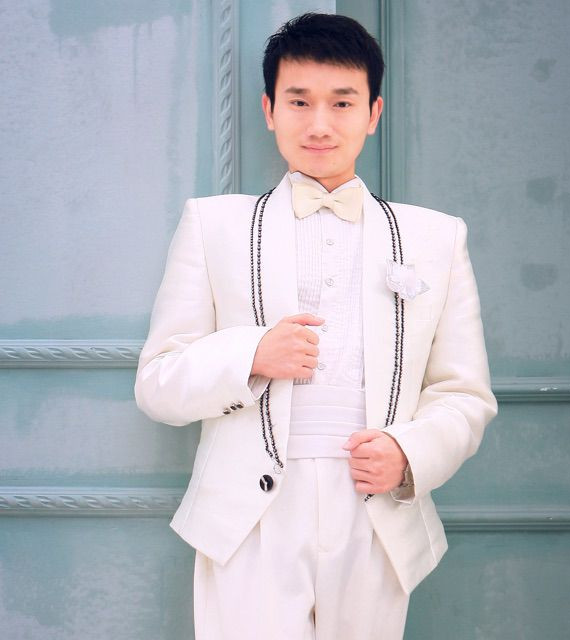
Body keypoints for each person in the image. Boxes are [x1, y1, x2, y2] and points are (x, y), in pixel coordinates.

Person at [134, 11, 497, 640]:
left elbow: (465, 393)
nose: (320, 124)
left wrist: (408, 454)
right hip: (248, 516)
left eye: (342, 102)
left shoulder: (436, 237)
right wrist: (251, 354)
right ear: (269, 109)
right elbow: (157, 384)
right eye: (299, 101)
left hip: (375, 508)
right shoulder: (213, 226)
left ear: (374, 113)